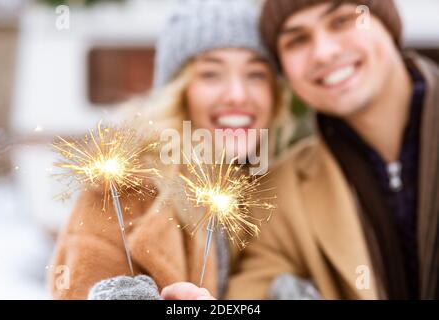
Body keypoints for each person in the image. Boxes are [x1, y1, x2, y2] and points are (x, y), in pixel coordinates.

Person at [165, 0, 439, 300]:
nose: (324, 52)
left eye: (341, 21)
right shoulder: (278, 195)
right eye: (297, 40)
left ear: (387, 24)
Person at [48, 0, 293, 300]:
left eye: (256, 74)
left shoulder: (281, 189)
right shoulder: (122, 194)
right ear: (179, 92)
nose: (237, 95)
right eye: (211, 74)